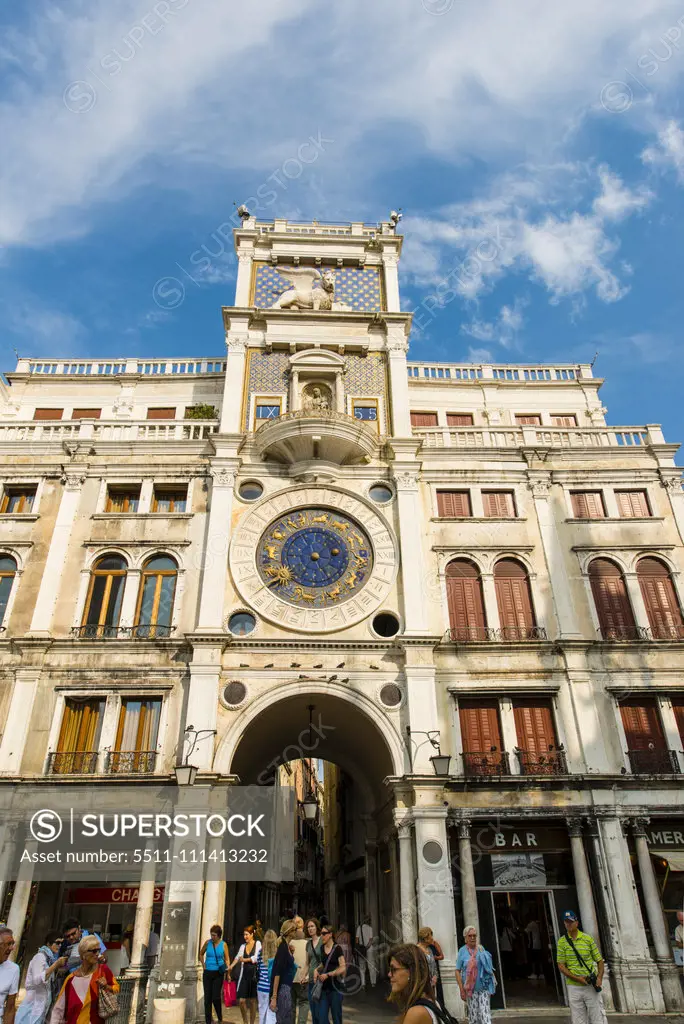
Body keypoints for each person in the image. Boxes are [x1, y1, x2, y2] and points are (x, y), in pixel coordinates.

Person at [50, 936, 118, 1024]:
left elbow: (116, 990)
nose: (97, 954)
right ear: (83, 954)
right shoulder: (70, 979)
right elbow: (58, 1009)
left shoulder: (103, 970)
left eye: (98, 950)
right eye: (94, 951)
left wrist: (106, 986)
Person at [556, 911, 605, 1024]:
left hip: (590, 985)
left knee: (597, 1016)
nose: (569, 924)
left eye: (571, 922)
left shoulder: (587, 939)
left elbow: (599, 960)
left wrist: (599, 978)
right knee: (578, 1019)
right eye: (566, 922)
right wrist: (577, 978)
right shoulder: (562, 942)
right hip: (573, 986)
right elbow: (561, 965)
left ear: (577, 923)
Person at [15, 931, 66, 1024]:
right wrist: (55, 965)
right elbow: (37, 980)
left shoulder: (49, 960)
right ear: (48, 944)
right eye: (57, 943)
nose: (60, 945)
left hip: (40, 1010)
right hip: (31, 1009)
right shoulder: (39, 957)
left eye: (61, 943)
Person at [387, 943, 442, 1024]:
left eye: (394, 969)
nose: (389, 974)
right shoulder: (431, 1001)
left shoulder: (416, 1013)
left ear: (412, 972)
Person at [455, 925, 496, 1024]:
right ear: (465, 938)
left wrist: (492, 984)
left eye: (474, 935)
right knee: (474, 1018)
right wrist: (461, 989)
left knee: (485, 1016)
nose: (473, 938)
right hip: (470, 990)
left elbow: (488, 968)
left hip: (483, 989)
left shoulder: (481, 949)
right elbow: (457, 971)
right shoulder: (462, 951)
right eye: (470, 936)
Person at [314, 925, 345, 1024]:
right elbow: (324, 963)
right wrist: (316, 970)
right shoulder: (322, 948)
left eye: (324, 934)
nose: (322, 936)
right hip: (324, 989)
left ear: (330, 934)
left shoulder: (337, 949)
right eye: (321, 934)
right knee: (322, 1018)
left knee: (336, 1017)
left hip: (335, 989)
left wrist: (329, 974)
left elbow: (343, 967)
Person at [229, 926, 261, 1024]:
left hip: (253, 975)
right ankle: (245, 1022)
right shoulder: (243, 946)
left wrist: (246, 960)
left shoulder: (258, 944)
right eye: (244, 934)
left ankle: (251, 1022)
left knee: (252, 1001)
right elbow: (238, 957)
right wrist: (231, 966)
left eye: (247, 934)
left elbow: (256, 957)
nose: (245, 936)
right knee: (241, 1000)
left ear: (252, 934)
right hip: (244, 975)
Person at [269, 920, 296, 1024]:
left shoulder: (286, 947)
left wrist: (291, 953)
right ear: (290, 931)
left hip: (287, 988)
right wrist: (274, 997)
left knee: (285, 1019)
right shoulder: (283, 948)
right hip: (283, 989)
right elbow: (277, 973)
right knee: (283, 1020)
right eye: (295, 930)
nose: (296, 932)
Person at [199, 925, 228, 1024]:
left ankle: (219, 1016)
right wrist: (203, 965)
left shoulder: (223, 945)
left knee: (215, 996)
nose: (212, 937)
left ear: (219, 935)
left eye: (214, 935)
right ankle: (208, 1021)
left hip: (218, 973)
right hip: (207, 973)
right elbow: (201, 953)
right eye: (211, 935)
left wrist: (228, 972)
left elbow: (227, 959)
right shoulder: (208, 943)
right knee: (207, 998)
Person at [290, 919, 309, 1024]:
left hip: (291, 978)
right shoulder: (308, 943)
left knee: (292, 1005)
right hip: (303, 978)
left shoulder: (290, 943)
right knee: (304, 1003)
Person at [256, 930, 277, 1024]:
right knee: (271, 1014)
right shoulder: (277, 954)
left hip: (261, 986)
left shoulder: (260, 952)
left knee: (261, 1012)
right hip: (271, 987)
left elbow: (259, 968)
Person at [305, 918, 323, 1023]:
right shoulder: (308, 944)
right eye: (308, 927)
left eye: (312, 926)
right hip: (311, 980)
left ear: (317, 927)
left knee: (320, 1010)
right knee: (313, 1010)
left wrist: (317, 969)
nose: (310, 929)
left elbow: (326, 960)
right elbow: (307, 963)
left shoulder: (322, 940)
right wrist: (303, 976)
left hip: (321, 980)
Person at [0, 928, 20, 1024]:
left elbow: (10, 1008)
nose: (12, 948)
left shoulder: (14, 969)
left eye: (12, 944)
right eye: (8, 944)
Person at [424, 929, 445, 1010]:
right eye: (429, 935)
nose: (431, 937)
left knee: (437, 987)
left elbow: (442, 956)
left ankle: (440, 1007)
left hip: (435, 967)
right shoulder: (423, 946)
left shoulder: (435, 943)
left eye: (431, 935)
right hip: (427, 968)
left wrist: (434, 957)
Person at [355, 916, 376, 988]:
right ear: (369, 921)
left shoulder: (359, 928)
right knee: (371, 966)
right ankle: (373, 982)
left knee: (362, 967)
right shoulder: (370, 928)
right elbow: (370, 940)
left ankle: (363, 983)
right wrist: (366, 948)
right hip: (369, 949)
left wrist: (360, 948)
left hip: (361, 950)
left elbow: (357, 940)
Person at [417, 929, 438, 998]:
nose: (432, 938)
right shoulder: (417, 950)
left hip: (432, 984)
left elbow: (434, 964)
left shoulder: (429, 949)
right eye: (430, 936)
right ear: (425, 938)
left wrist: (435, 976)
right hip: (422, 984)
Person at [525, 915, 543, 980]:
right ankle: (541, 973)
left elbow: (525, 932)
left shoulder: (531, 924)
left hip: (533, 945)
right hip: (538, 944)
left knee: (533, 960)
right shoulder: (537, 924)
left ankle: (534, 973)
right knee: (539, 959)